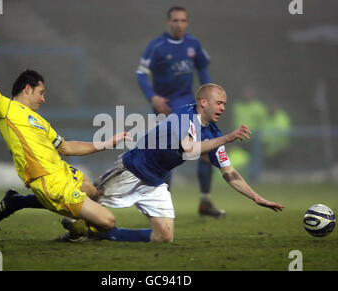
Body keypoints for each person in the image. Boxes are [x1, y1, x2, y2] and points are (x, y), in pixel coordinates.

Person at [0, 26, 153, 243]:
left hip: (62, 171)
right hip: (49, 183)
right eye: (40, 93)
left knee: (92, 191)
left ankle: (22, 204)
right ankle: (151, 236)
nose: (43, 99)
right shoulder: (5, 109)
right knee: (107, 222)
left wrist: (106, 143)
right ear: (27, 89)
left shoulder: (40, 120)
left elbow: (66, 147)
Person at [60, 83, 285, 243]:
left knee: (164, 236)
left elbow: (230, 173)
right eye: (219, 102)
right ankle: (31, 201)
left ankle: (99, 235)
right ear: (203, 102)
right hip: (133, 170)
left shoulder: (213, 133)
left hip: (155, 182)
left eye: (225, 104)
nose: (223, 107)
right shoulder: (183, 115)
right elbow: (188, 147)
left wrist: (256, 198)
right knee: (89, 197)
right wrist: (228, 137)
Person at [136, 6, 222, 218]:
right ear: (168, 23)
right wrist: (153, 97)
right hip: (165, 107)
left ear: (187, 22)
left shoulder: (193, 44)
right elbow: (141, 74)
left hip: (189, 106)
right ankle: (163, 206)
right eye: (175, 20)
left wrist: (209, 97)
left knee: (204, 152)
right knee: (168, 155)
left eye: (183, 20)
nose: (179, 24)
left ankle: (205, 201)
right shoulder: (157, 46)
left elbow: (202, 68)